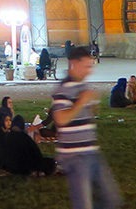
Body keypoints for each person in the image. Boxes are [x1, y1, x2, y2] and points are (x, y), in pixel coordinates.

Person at [52, 46, 122, 209]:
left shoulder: (81, 87)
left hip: (91, 151)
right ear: (73, 64)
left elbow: (82, 113)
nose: (89, 71)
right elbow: (61, 119)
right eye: (86, 66)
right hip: (75, 156)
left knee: (112, 200)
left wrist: (91, 106)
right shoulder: (64, 89)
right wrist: (82, 102)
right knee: (83, 204)